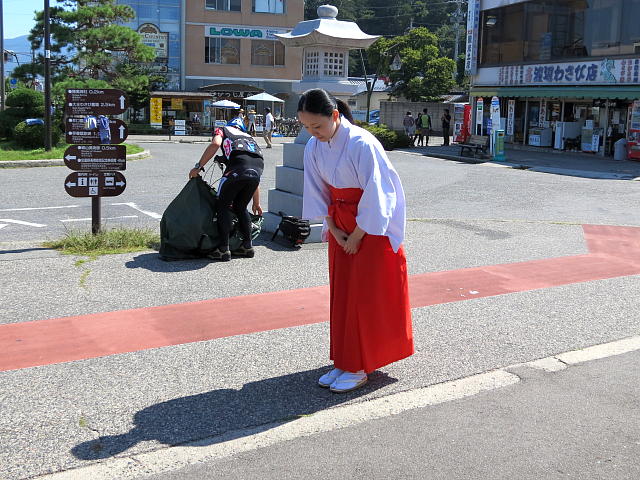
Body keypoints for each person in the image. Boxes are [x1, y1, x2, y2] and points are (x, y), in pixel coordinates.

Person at [299, 88, 414, 394]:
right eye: (307, 127)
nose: (313, 133)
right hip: (341, 224)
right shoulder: (313, 146)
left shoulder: (363, 143)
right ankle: (344, 359)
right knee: (343, 293)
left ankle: (360, 365)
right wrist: (334, 230)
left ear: (335, 116)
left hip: (371, 229)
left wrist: (358, 234)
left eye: (318, 126)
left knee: (365, 296)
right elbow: (316, 190)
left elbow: (378, 193)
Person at [189, 118, 263, 261]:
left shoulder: (223, 129)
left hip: (236, 171)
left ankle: (223, 249)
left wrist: (198, 167)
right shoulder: (249, 138)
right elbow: (249, 168)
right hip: (257, 171)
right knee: (240, 207)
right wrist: (256, 202)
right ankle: (247, 247)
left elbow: (215, 143)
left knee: (222, 206)